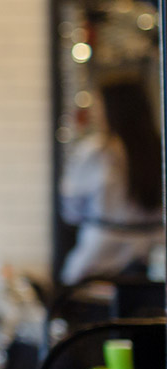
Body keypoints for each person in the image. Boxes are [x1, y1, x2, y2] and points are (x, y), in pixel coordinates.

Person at [59, 74, 166, 285]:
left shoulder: (97, 151)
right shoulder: (159, 149)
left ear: (111, 108)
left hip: (101, 258)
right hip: (156, 258)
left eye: (98, 104)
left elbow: (71, 211)